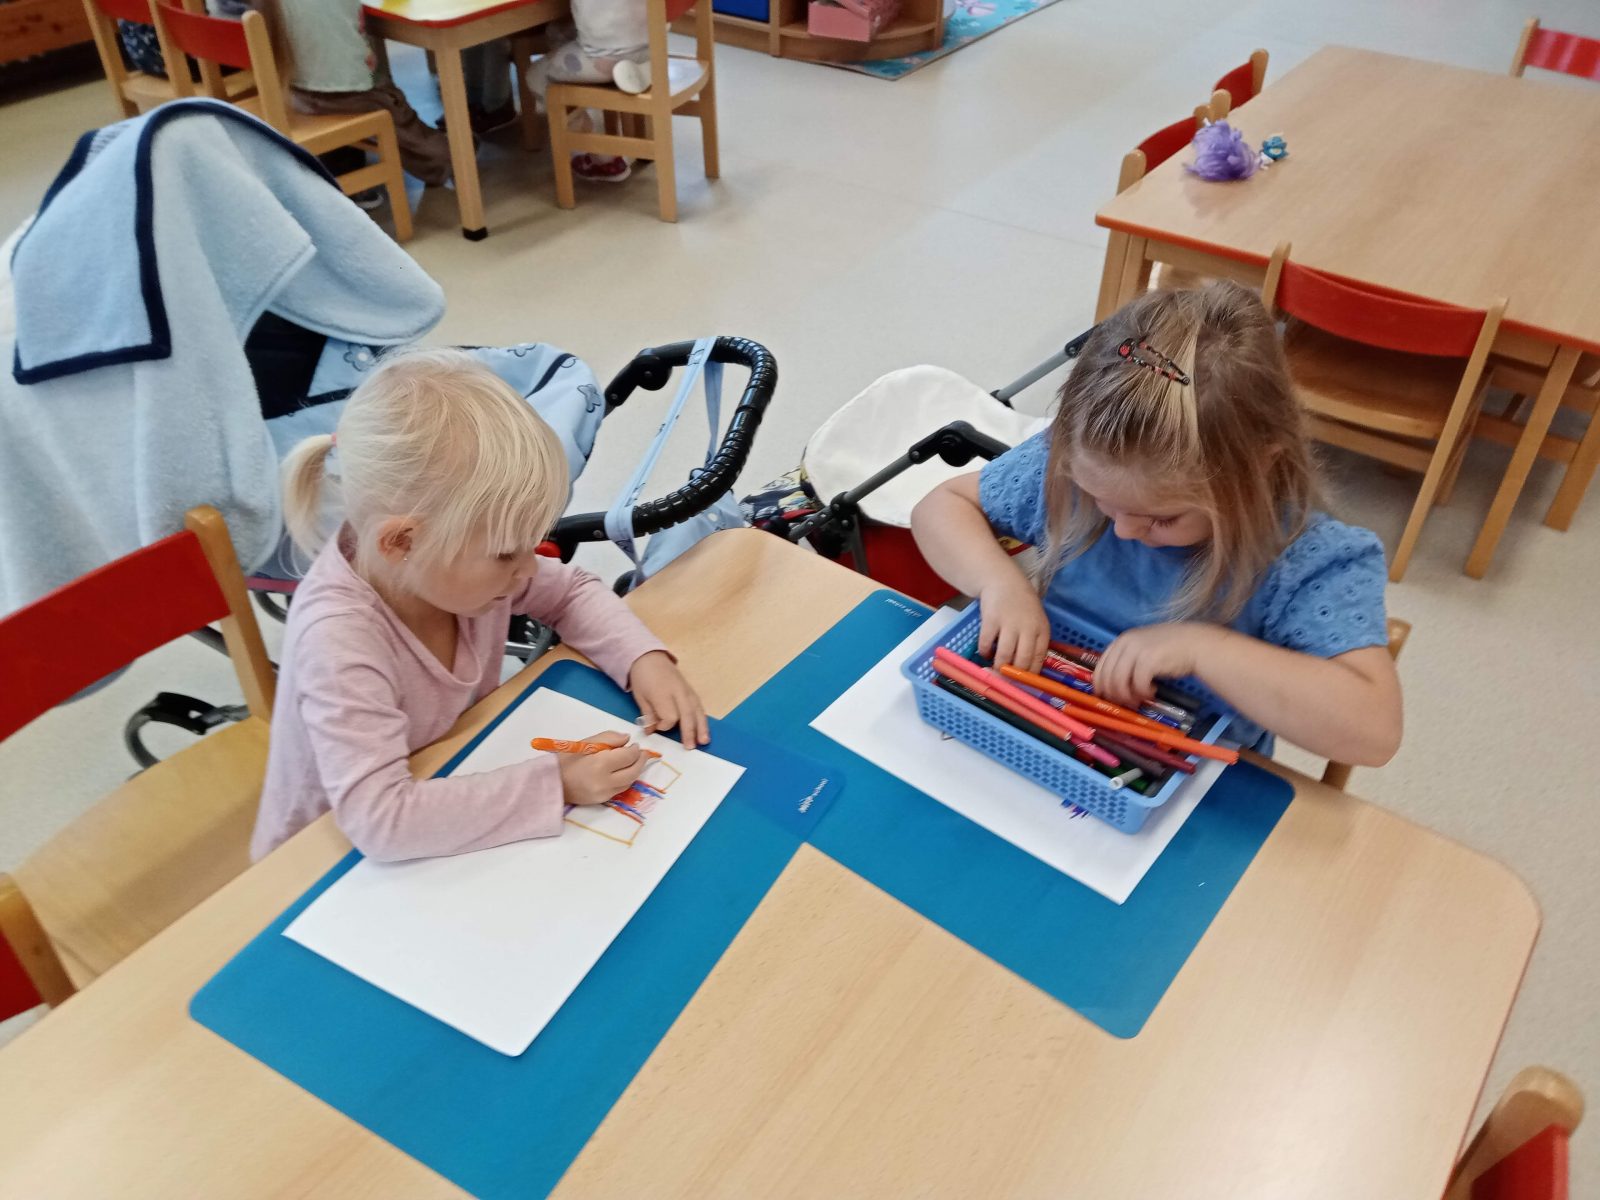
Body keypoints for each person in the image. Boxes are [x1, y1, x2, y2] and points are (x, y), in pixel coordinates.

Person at [910, 281, 1402, 766]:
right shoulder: (1078, 470)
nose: (1124, 529)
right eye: (1100, 500)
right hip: (1041, 726)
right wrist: (1000, 584)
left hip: (1188, 776)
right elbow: (942, 505)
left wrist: (1203, 650)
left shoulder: (1308, 559)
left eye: (1162, 517)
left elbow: (1374, 732)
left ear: (1256, 468)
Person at [251, 348, 708, 862]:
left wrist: (642, 658)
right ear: (401, 542)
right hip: (319, 866)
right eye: (507, 553)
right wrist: (557, 784)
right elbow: (381, 819)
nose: (528, 570)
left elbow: (571, 591)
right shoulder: (338, 639)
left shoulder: (451, 569)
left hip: (448, 780)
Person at [257, 0, 453, 187]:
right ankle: (450, 161)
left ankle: (342, 170)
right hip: (351, 91)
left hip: (293, 93)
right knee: (424, 144)